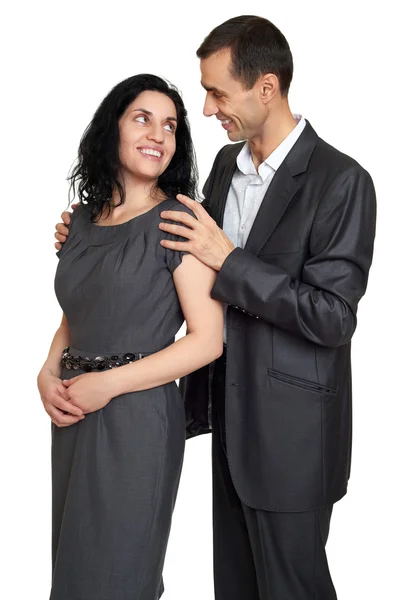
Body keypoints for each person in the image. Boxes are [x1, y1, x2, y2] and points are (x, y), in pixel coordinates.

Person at [55, 16, 377, 600]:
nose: (207, 109)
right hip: (225, 422)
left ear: (267, 88)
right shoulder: (228, 168)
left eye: (217, 92)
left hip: (293, 437)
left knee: (291, 589)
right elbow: (165, 253)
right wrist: (90, 243)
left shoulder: (342, 181)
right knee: (236, 588)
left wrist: (231, 260)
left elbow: (333, 316)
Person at [39, 73, 223, 600]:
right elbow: (76, 316)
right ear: (112, 128)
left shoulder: (180, 219)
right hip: (73, 413)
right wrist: (47, 373)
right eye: (142, 118)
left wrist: (109, 384)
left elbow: (207, 340)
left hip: (137, 419)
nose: (158, 135)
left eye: (170, 126)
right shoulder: (78, 223)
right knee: (75, 573)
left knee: (119, 575)